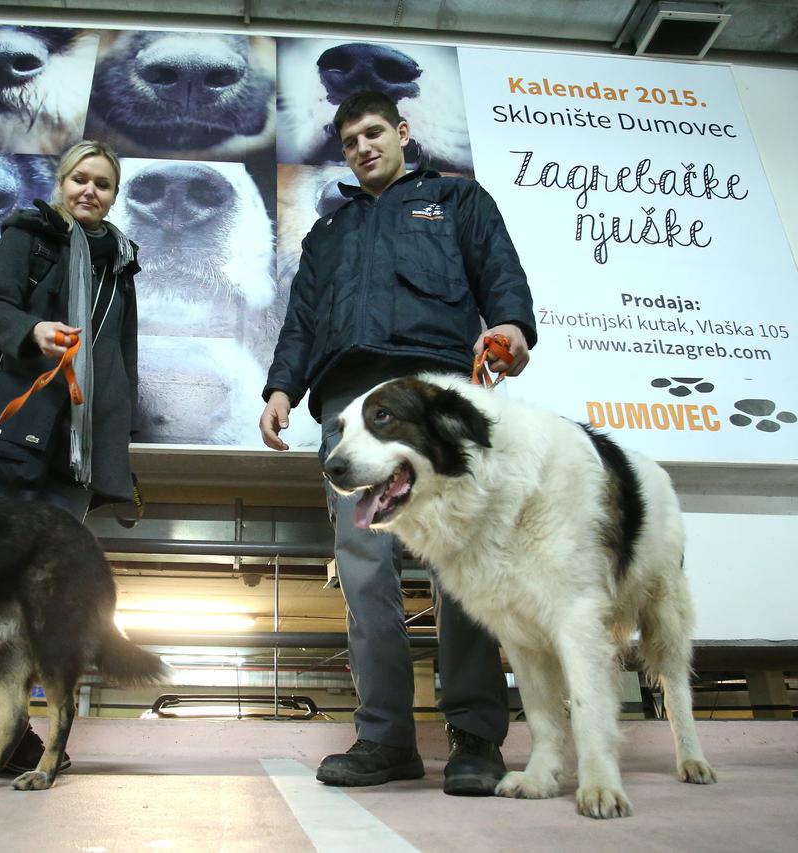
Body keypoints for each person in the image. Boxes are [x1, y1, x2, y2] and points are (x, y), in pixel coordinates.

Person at [259, 90, 537, 794]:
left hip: (435, 396)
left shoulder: (457, 200)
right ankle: (384, 739)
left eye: (374, 132)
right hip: (350, 406)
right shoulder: (329, 233)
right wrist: (280, 389)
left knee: (459, 565)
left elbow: (498, 270)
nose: (363, 147)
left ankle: (476, 735)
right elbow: (300, 321)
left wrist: (512, 326)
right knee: (364, 570)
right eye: (350, 140)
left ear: (403, 132)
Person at [0, 140, 140, 781]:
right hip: (13, 434)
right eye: (79, 179)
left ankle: (4, 729)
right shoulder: (28, 233)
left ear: (114, 193)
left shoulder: (120, 263)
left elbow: (120, 361)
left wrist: (110, 457)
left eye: (101, 182)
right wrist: (32, 332)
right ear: (61, 182)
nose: (89, 191)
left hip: (74, 450)